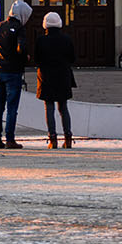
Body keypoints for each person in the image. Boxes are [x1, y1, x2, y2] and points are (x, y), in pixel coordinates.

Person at [0, 0, 34, 150]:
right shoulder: (19, 28)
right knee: (12, 107)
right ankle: (10, 139)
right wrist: (24, 57)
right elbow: (21, 49)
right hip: (13, 72)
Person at [34, 10, 77, 149]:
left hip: (46, 77)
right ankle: (68, 138)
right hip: (63, 76)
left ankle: (52, 139)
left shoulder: (41, 40)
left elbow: (36, 60)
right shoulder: (67, 39)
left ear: (45, 25)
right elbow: (72, 58)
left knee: (49, 107)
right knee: (63, 107)